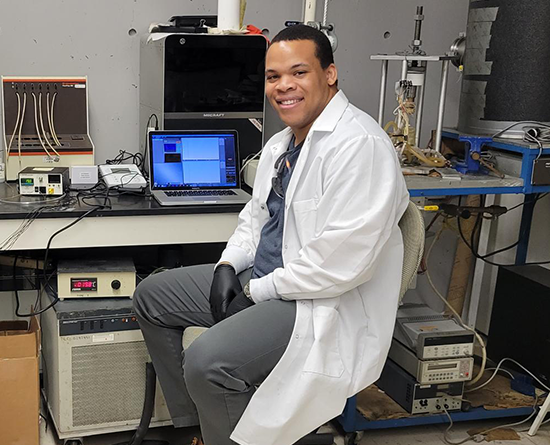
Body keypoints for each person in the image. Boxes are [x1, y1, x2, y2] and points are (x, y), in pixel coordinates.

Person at [133, 24, 409, 445]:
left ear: (329, 73)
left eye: (298, 73)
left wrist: (256, 291)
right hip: (267, 279)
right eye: (273, 76)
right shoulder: (282, 144)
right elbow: (256, 216)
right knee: (152, 296)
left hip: (316, 301)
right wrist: (228, 264)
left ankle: (224, 428)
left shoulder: (359, 146)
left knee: (207, 362)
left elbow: (338, 266)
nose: (284, 87)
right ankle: (203, 426)